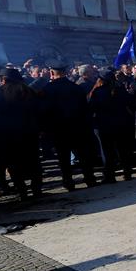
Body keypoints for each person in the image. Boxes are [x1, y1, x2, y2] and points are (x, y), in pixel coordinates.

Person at [42, 60, 97, 190]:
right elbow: (85, 108)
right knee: (83, 155)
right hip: (78, 126)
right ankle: (89, 178)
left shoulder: (48, 89)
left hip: (59, 128)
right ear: (66, 72)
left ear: (51, 72)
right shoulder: (75, 87)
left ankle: (68, 182)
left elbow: (45, 111)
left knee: (63, 157)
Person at [0, 68, 43, 198]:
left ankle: (22, 191)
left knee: (13, 164)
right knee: (34, 161)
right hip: (29, 133)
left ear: (4, 79)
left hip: (6, 135)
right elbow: (39, 112)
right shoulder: (28, 91)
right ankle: (36, 189)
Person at [88, 67, 134, 182]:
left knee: (107, 151)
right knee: (123, 150)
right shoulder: (121, 90)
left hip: (104, 125)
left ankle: (110, 175)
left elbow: (91, 108)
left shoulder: (97, 92)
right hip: (121, 124)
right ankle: (127, 172)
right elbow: (130, 103)